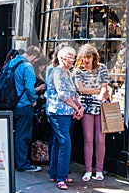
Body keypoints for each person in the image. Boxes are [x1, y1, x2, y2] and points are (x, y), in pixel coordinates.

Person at [46, 46, 84, 190]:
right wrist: (76, 108)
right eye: (70, 57)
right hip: (58, 112)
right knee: (64, 143)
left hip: (66, 112)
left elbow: (73, 93)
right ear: (62, 58)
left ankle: (54, 173)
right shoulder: (57, 72)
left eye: (73, 57)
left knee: (57, 142)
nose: (73, 60)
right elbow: (62, 95)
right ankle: (61, 177)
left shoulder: (67, 72)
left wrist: (79, 106)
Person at [74, 44, 110, 182]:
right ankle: (88, 170)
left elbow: (104, 88)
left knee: (100, 140)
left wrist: (99, 91)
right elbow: (81, 90)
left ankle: (99, 170)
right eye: (84, 57)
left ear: (94, 56)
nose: (86, 60)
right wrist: (98, 90)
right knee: (88, 139)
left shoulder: (102, 68)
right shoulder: (79, 71)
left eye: (89, 57)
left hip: (100, 106)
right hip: (86, 106)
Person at [11, 45, 41, 172]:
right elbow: (29, 87)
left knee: (13, 133)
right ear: (33, 55)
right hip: (23, 105)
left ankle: (14, 160)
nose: (34, 62)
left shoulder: (13, 61)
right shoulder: (27, 66)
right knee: (23, 135)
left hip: (11, 103)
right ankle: (22, 164)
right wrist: (33, 100)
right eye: (35, 60)